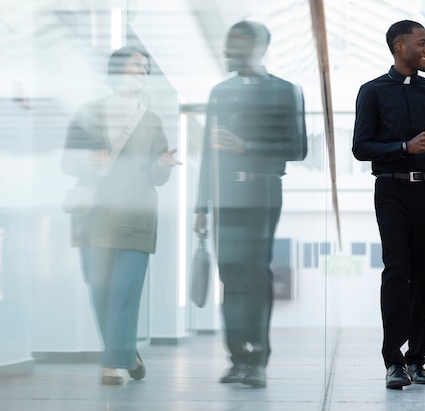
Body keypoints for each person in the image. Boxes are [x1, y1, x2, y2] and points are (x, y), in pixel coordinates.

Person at [194, 21, 307, 388]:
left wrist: (246, 147)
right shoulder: (220, 92)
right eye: (227, 43)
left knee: (255, 273)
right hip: (224, 195)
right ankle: (236, 358)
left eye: (235, 43)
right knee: (230, 274)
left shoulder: (285, 91)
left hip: (262, 192)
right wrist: (201, 206)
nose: (228, 50)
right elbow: (206, 154)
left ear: (259, 46)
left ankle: (257, 359)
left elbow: (297, 148)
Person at [61, 47, 181, 385]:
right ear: (115, 72)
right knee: (100, 289)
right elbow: (67, 163)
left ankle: (112, 362)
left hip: (136, 216)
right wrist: (89, 160)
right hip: (93, 215)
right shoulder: (88, 112)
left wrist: (162, 165)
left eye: (146, 67)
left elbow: (157, 175)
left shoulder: (152, 119)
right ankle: (124, 351)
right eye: (135, 65)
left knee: (126, 289)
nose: (142, 71)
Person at [352, 20, 425, 390]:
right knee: (397, 272)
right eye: (422, 43)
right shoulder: (372, 92)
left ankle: (417, 359)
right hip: (391, 192)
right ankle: (393, 361)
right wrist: (405, 148)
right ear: (401, 47)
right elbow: (360, 147)